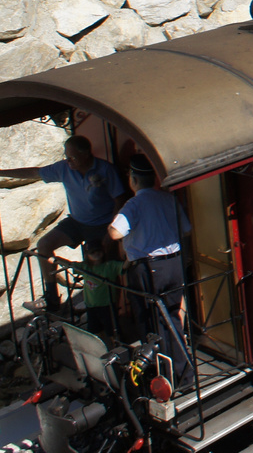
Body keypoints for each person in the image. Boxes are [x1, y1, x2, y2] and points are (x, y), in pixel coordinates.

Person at [0, 135, 128, 310]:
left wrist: (111, 231)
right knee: (44, 244)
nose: (68, 160)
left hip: (102, 224)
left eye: (72, 157)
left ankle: (112, 310)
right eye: (66, 156)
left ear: (86, 155)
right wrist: (0, 172)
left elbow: (120, 200)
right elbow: (34, 172)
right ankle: (51, 297)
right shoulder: (64, 169)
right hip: (77, 222)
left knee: (106, 267)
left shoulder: (106, 170)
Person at [108, 156, 192, 385]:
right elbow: (186, 228)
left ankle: (162, 374)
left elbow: (115, 233)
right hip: (173, 265)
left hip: (149, 268)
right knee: (172, 317)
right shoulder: (168, 199)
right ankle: (182, 372)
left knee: (150, 322)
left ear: (133, 180)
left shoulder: (134, 205)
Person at [76, 242, 124, 338]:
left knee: (113, 332)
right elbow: (67, 264)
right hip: (91, 306)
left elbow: (124, 266)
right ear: (87, 255)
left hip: (107, 305)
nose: (96, 254)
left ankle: (117, 347)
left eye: (98, 251)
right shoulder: (85, 266)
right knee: (95, 332)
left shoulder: (110, 265)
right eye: (92, 252)